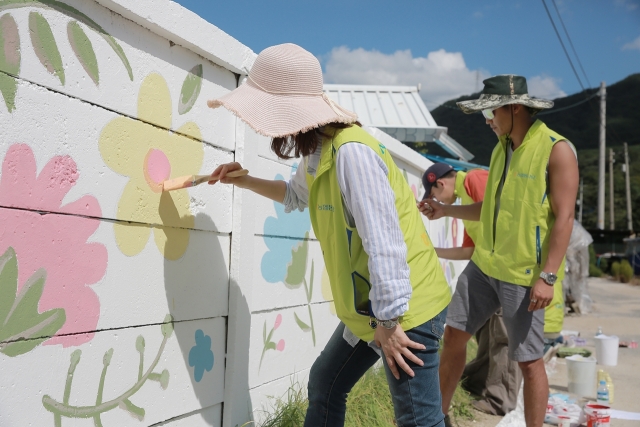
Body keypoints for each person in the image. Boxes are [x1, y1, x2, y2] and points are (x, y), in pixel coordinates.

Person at [206, 43, 452, 427]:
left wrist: (388, 326)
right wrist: (245, 179)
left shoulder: (352, 154)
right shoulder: (319, 153)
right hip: (371, 310)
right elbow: (294, 195)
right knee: (326, 384)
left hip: (406, 310)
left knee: (418, 420)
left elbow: (385, 246)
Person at [419, 75, 579, 427]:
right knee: (453, 336)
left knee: (528, 360)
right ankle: (437, 419)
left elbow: (565, 218)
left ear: (515, 107)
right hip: (484, 267)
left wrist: (547, 276)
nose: (487, 120)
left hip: (524, 274)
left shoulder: (556, 149)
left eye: (490, 112)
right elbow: (488, 208)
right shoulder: (500, 149)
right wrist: (446, 211)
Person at [421, 163, 522, 417]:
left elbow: (494, 212)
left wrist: (445, 210)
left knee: (507, 341)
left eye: (433, 195)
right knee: (454, 335)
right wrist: (433, 252)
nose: (436, 201)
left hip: (510, 268)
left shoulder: (476, 178)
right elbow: (469, 250)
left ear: (440, 183)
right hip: (484, 267)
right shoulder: (464, 199)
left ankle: (501, 401)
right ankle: (439, 414)